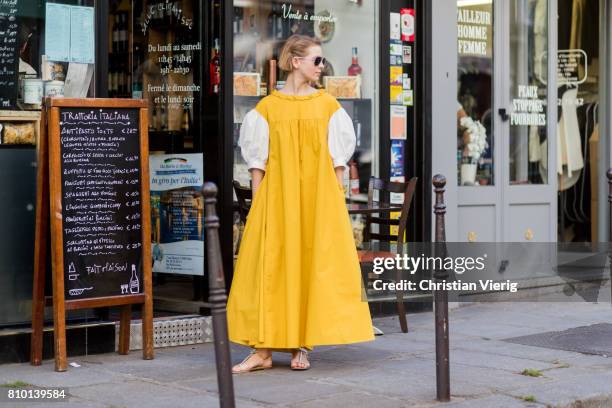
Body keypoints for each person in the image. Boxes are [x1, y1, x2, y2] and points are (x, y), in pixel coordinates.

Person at [227, 34, 374, 373]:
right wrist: (258, 206)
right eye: (317, 60)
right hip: (277, 200)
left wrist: (337, 201)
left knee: (309, 268)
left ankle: (302, 346)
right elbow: (257, 165)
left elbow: (339, 164)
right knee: (271, 270)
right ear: (296, 62)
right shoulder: (266, 109)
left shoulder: (328, 107)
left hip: (317, 200)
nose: (322, 67)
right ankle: (261, 350)